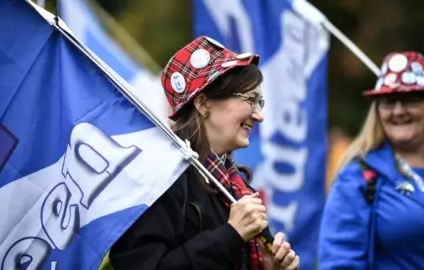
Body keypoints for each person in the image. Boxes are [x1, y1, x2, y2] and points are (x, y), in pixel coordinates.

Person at [109, 36, 300, 270]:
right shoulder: (159, 178)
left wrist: (266, 267)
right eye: (250, 100)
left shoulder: (237, 187)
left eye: (260, 103)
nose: (259, 116)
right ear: (203, 103)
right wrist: (230, 235)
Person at [318, 51, 424, 269]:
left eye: (411, 100)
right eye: (388, 102)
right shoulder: (357, 178)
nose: (398, 111)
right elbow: (339, 263)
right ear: (377, 111)